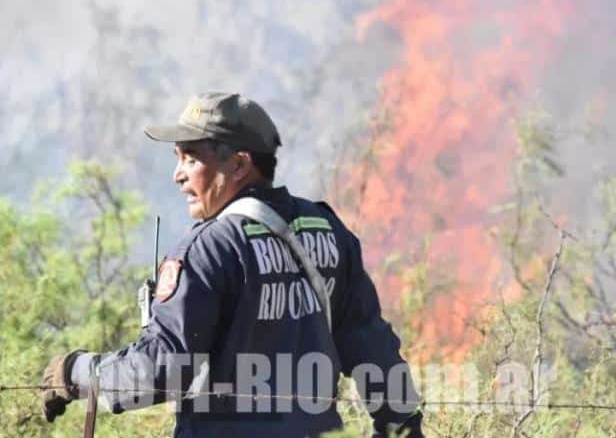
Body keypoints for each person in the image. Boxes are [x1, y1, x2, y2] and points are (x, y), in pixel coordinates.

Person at [40, 92, 424, 437]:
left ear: (239, 166)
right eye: (178, 159)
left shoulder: (209, 249)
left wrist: (77, 372)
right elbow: (372, 348)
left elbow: (164, 369)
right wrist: (401, 427)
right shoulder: (328, 231)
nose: (178, 175)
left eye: (191, 159)